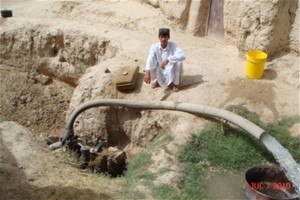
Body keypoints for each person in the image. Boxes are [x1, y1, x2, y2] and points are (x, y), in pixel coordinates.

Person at [144, 28, 185, 92]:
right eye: (162, 37)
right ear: (159, 37)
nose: (163, 39)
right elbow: (150, 59)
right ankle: (158, 81)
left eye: (165, 37)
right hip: (159, 69)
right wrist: (147, 72)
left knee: (179, 63)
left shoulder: (173, 45)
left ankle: (174, 84)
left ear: (168, 37)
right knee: (151, 63)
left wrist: (168, 59)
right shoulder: (154, 47)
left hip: (170, 69)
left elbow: (182, 56)